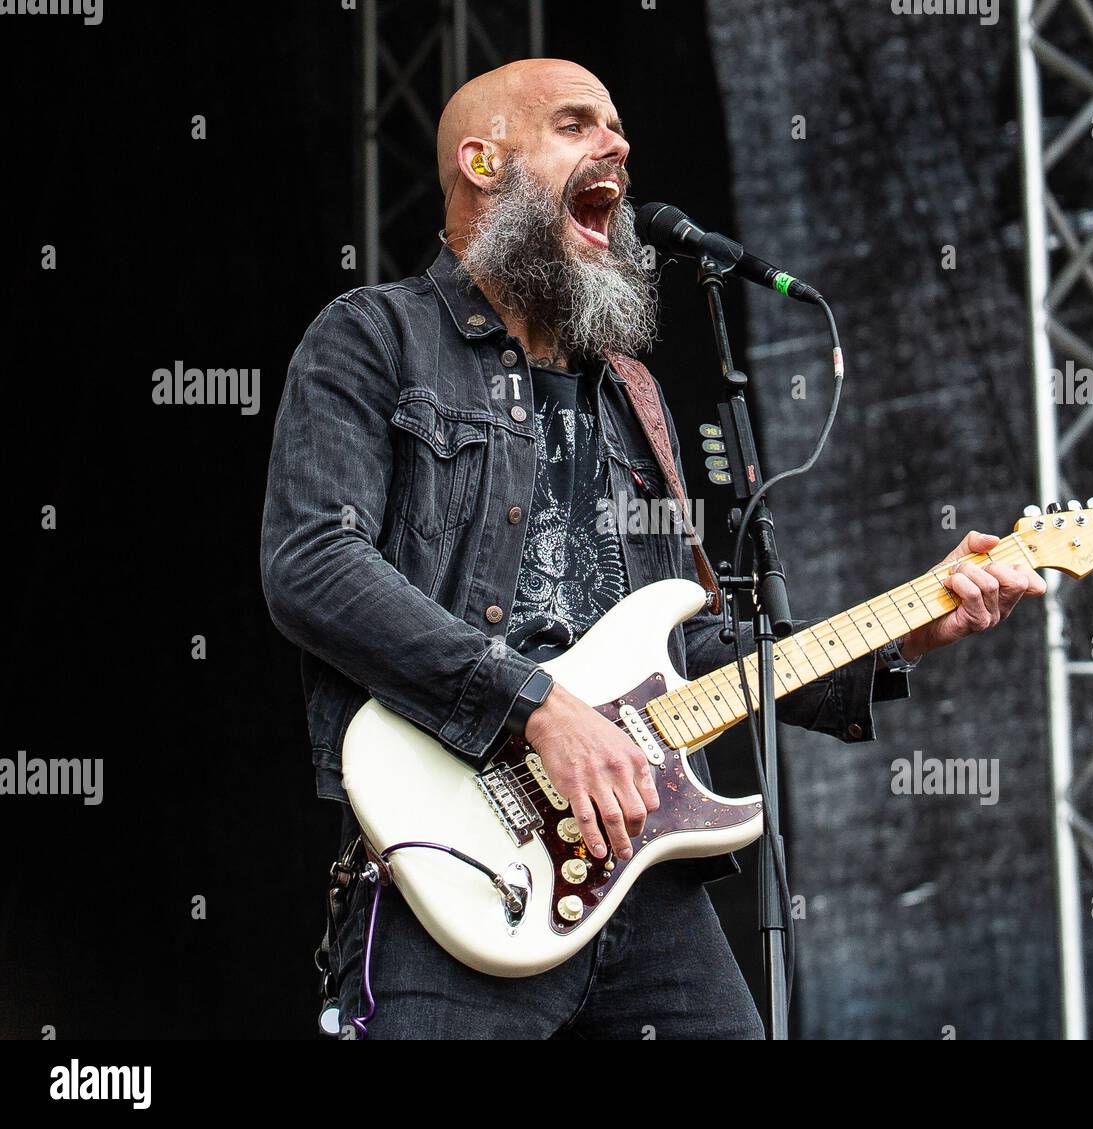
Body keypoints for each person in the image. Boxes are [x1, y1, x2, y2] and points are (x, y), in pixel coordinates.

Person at [259, 58, 1046, 1039]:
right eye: (575, 124)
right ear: (483, 161)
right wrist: (538, 706)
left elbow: (697, 652)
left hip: (642, 870)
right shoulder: (373, 337)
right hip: (456, 863)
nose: (618, 146)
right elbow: (313, 565)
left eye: (620, 127)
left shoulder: (632, 392)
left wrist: (910, 624)